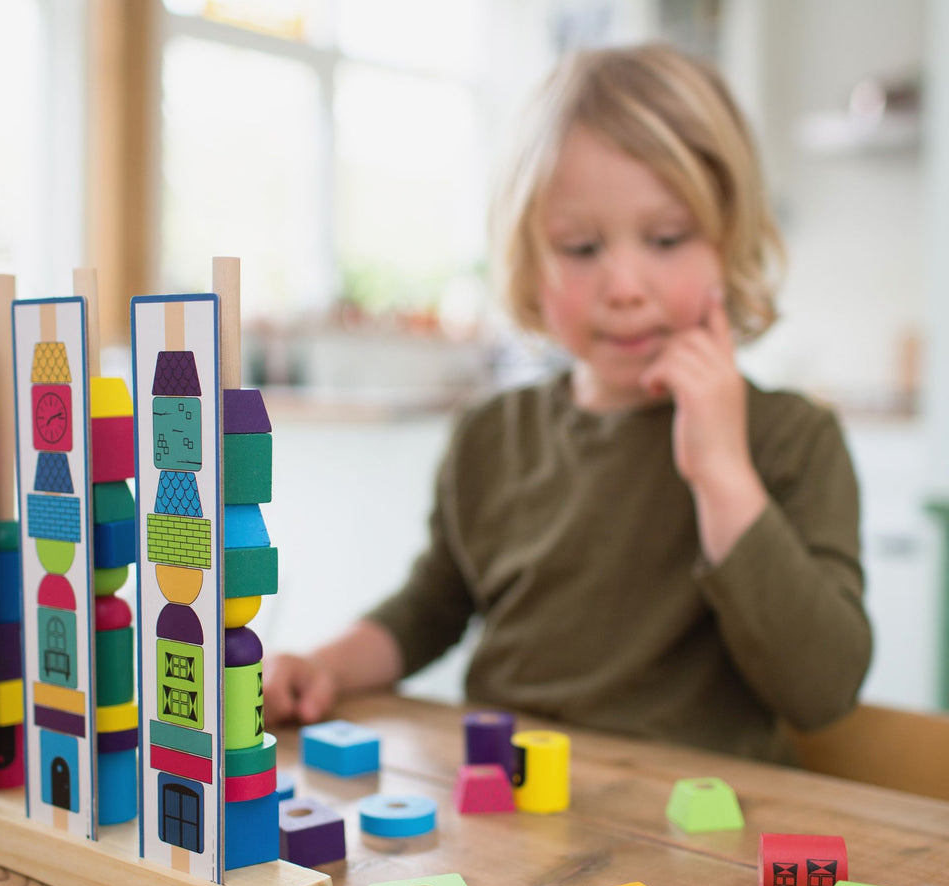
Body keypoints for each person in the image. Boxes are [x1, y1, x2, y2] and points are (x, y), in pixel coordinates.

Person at [263, 42, 872, 762]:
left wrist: (723, 476)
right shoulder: (491, 435)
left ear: (728, 240)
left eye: (666, 238)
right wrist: (324, 665)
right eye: (582, 248)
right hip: (510, 817)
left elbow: (824, 689)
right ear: (531, 263)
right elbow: (430, 609)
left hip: (700, 837)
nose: (623, 285)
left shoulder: (792, 440)